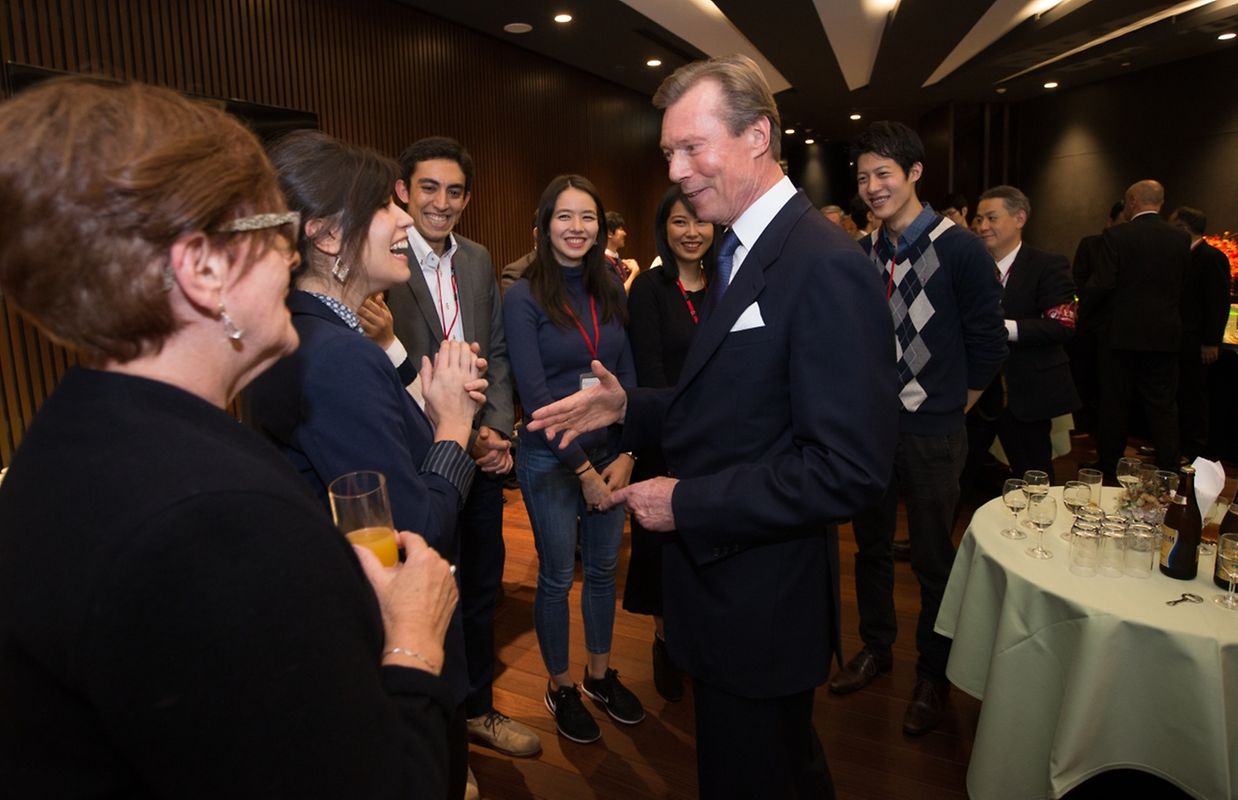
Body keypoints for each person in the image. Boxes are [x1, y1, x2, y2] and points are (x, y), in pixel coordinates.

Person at [0, 78, 461, 797]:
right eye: (276, 230)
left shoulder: (76, 426)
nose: (289, 255)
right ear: (205, 269)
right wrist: (413, 642)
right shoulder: (216, 523)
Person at [528, 55, 899, 798]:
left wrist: (686, 504)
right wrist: (629, 405)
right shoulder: (747, 249)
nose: (677, 169)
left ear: (758, 136)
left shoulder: (820, 262)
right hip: (730, 597)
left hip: (762, 604)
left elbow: (849, 469)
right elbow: (736, 402)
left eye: (692, 147)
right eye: (669, 152)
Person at [245, 129, 485, 800]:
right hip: (387, 642)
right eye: (385, 205)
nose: (406, 217)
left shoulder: (307, 332)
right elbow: (411, 532)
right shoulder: (336, 356)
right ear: (325, 234)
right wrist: (455, 426)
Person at [829, 121, 1006, 737]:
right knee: (871, 546)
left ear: (914, 174)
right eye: (863, 178)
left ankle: (933, 675)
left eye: (883, 174)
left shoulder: (960, 249)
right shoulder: (862, 252)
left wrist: (955, 406)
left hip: (935, 430)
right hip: (870, 429)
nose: (873, 187)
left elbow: (988, 342)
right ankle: (877, 648)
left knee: (933, 558)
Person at [375, 136, 540, 765]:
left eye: (453, 192)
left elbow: (495, 350)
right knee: (426, 594)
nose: (440, 203)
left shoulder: (476, 259)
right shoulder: (385, 258)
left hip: (483, 455)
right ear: (402, 190)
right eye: (428, 189)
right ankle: (437, 742)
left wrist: (496, 429)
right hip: (420, 456)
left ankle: (476, 711)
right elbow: (384, 363)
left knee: (480, 590)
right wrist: (467, 436)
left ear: (467, 199)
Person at [502, 174, 644, 745]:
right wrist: (584, 472)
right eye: (565, 216)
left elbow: (628, 374)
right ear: (542, 225)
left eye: (588, 217)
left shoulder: (609, 283)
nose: (577, 228)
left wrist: (629, 451)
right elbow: (536, 400)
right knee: (559, 578)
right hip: (551, 460)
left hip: (612, 456)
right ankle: (560, 686)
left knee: (605, 573)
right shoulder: (522, 295)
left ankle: (599, 676)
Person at [624, 185, 716, 703]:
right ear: (665, 228)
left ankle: (699, 636)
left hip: (718, 445)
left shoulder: (725, 283)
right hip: (666, 441)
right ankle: (664, 639)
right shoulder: (651, 289)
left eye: (700, 221)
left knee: (705, 545)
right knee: (662, 551)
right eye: (680, 222)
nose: (691, 232)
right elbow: (652, 375)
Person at [1082, 179, 1191, 476]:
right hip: (1164, 336)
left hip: (1120, 336)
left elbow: (1102, 284)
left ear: (1131, 202)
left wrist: (1088, 320)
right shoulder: (1180, 239)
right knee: (1163, 405)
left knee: (1114, 404)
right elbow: (1182, 287)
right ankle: (1169, 465)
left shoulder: (1116, 236)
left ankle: (1109, 465)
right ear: (1161, 202)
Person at [971, 185, 1078, 481]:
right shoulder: (972, 266)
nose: (983, 227)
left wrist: (1001, 329)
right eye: (979, 220)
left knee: (1033, 477)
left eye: (991, 218)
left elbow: (1062, 326)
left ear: (1020, 218)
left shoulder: (1047, 265)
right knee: (957, 478)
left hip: (1027, 393)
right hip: (976, 394)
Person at [1168, 206, 1232, 460]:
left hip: (1196, 341)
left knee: (1193, 395)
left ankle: (1193, 448)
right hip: (1175, 338)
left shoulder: (1212, 257)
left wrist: (1211, 341)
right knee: (1174, 393)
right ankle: (1172, 445)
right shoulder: (1178, 255)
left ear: (1183, 228)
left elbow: (1217, 302)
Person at [1069, 200, 1125, 433]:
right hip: (1089, 324)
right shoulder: (1091, 245)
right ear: (1110, 222)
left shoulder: (1133, 248)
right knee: (1084, 377)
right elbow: (1079, 280)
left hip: (1120, 330)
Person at [604, 210, 641, 292]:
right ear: (609, 233)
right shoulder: (602, 262)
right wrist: (635, 271)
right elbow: (618, 294)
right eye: (620, 229)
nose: (625, 233)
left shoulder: (616, 260)